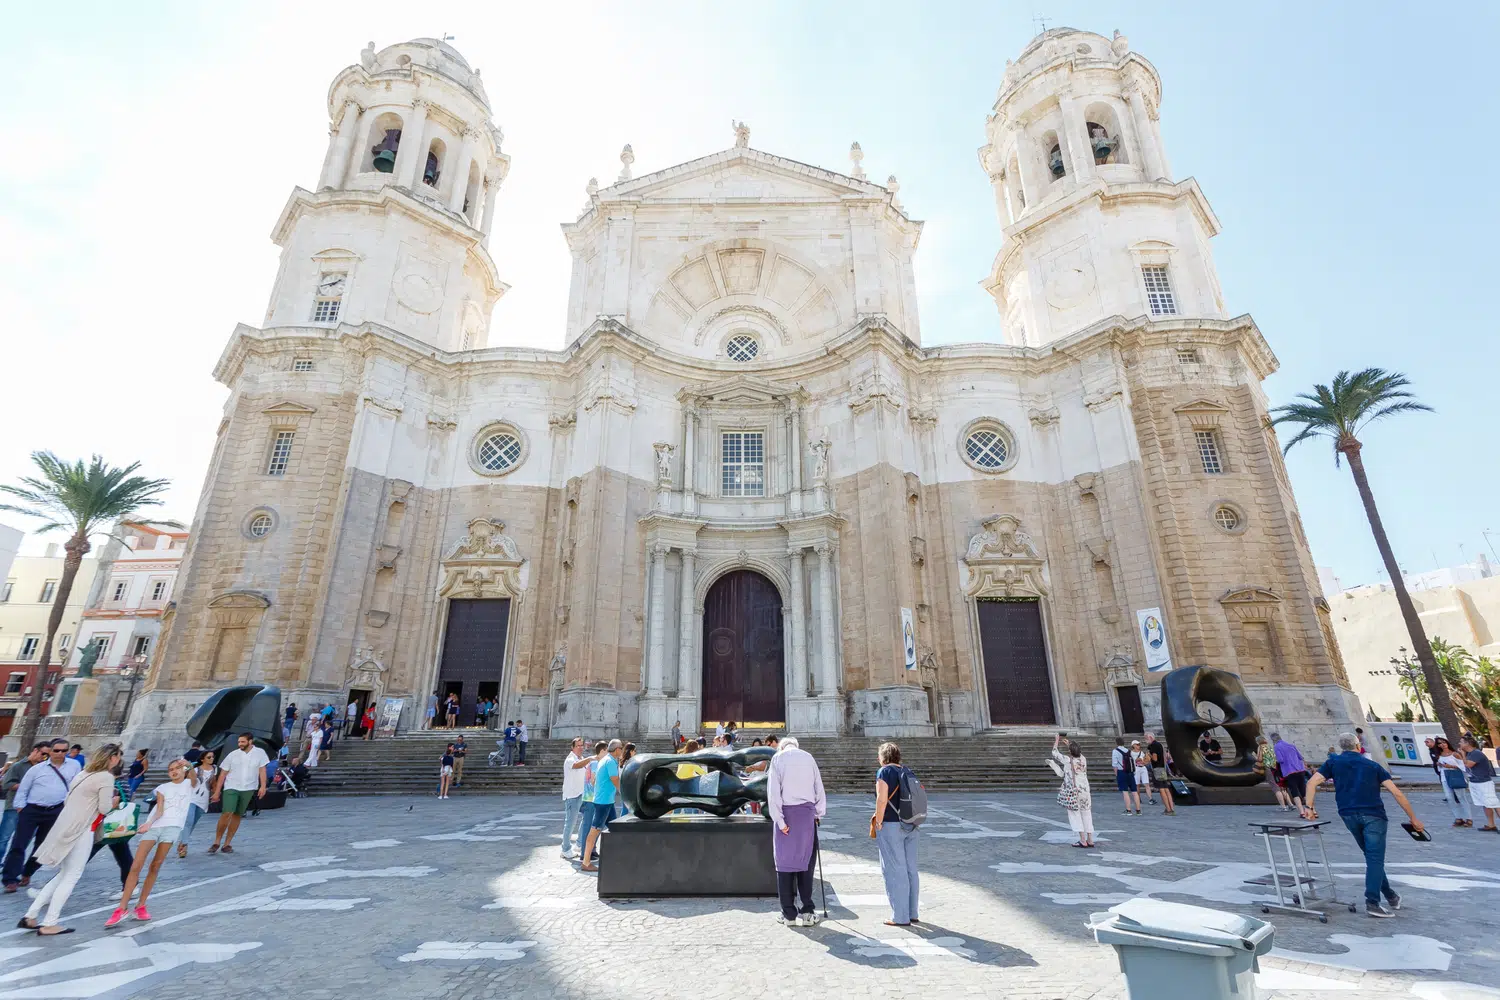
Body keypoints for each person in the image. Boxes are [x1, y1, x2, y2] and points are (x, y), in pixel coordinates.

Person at [1303, 732, 1424, 918]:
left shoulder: (1333, 762)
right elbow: (1396, 793)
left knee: (1371, 857)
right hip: (1374, 815)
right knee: (1375, 858)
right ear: (1358, 746)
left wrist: (1309, 807)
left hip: (1348, 814)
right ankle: (1372, 902)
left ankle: (1391, 896)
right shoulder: (1372, 765)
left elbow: (1311, 783)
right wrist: (1413, 818)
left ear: (1342, 746)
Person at [17, 743, 123, 936]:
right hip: (82, 829)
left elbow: (68, 799)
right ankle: (50, 922)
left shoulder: (83, 774)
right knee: (71, 876)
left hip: (65, 826)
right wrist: (114, 802)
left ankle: (31, 916)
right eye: (118, 756)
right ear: (112, 757)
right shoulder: (106, 777)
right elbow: (105, 808)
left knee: (63, 874)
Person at [106, 757, 197, 927]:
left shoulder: (189, 785)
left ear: (183, 770)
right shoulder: (163, 787)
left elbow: (193, 777)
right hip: (155, 826)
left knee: (156, 865)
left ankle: (140, 906)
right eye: (170, 769)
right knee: (136, 866)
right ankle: (121, 908)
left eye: (177, 768)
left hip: (173, 828)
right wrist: (149, 823)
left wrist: (188, 765)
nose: (174, 772)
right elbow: (159, 809)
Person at [4, 740, 81, 892]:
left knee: (44, 846)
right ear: (50, 751)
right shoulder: (37, 769)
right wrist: (21, 808)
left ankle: (28, 872)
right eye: (56, 750)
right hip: (32, 810)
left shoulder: (74, 766)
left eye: (64, 751)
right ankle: (10, 879)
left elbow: (76, 786)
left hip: (55, 810)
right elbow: (23, 789)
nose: (60, 754)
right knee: (19, 844)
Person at [768, 737, 826, 927]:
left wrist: (779, 820)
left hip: (786, 814)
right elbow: (819, 788)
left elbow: (773, 793)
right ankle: (808, 912)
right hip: (807, 815)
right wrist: (818, 814)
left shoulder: (778, 759)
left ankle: (789, 915)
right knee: (806, 863)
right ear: (796, 746)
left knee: (784, 864)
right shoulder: (808, 757)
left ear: (781, 746)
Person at [873, 742, 919, 926]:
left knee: (894, 869)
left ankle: (900, 916)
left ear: (883, 757)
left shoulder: (884, 772)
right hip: (911, 824)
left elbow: (882, 799)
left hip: (891, 824)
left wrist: (878, 821)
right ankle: (912, 912)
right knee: (911, 869)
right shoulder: (907, 771)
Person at [208, 733, 269, 855]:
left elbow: (262, 770)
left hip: (249, 788)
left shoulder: (260, 753)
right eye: (239, 742)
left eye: (242, 742)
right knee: (227, 813)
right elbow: (223, 774)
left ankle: (227, 843)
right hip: (231, 787)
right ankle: (217, 841)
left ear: (250, 741)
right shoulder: (233, 755)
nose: (240, 744)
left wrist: (263, 786)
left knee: (237, 815)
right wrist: (217, 791)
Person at [0, 744, 48, 863]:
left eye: (47, 756)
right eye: (43, 754)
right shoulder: (18, 766)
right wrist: (27, 785)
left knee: (23, 840)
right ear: (35, 750)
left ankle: (10, 864)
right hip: (14, 807)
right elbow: (6, 784)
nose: (44, 757)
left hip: (33, 808)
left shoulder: (45, 768)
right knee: (4, 837)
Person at [580, 740, 623, 872]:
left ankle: (616, 857)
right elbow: (614, 779)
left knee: (614, 829)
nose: (622, 750)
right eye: (621, 748)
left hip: (607, 801)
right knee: (594, 831)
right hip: (603, 802)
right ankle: (586, 862)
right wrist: (624, 792)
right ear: (617, 749)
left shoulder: (606, 759)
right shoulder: (610, 761)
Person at [1053, 734, 1094, 848]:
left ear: (1070, 752)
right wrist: (1070, 745)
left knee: (1075, 814)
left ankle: (1082, 840)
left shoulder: (1068, 760)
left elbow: (1055, 753)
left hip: (1074, 791)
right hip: (1085, 790)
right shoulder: (1083, 759)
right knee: (1086, 813)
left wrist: (1057, 740)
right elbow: (1076, 752)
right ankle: (1090, 839)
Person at [178, 750, 217, 856]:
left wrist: (216, 793)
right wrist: (188, 766)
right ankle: (184, 846)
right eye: (209, 757)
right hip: (191, 797)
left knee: (193, 823)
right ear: (202, 759)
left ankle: (182, 842)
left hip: (203, 800)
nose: (211, 759)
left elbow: (213, 782)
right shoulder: (195, 768)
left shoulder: (214, 769)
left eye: (212, 757)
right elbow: (192, 782)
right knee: (188, 821)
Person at [1460, 736, 1499, 830]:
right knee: (1485, 804)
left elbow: (1468, 764)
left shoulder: (1476, 753)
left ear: (1467, 743)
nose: (1459, 744)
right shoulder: (1470, 754)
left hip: (1484, 783)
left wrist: (1463, 754)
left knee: (1494, 804)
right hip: (1475, 782)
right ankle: (1491, 824)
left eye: (1461, 742)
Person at [561, 738, 590, 858]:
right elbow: (576, 766)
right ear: (572, 747)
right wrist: (591, 758)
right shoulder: (570, 759)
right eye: (578, 746)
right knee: (570, 822)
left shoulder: (582, 759)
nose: (580, 747)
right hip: (572, 795)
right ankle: (565, 849)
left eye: (582, 745)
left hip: (583, 793)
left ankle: (579, 844)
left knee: (588, 817)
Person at [1436, 742, 1472, 827]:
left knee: (1461, 797)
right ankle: (1458, 817)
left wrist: (1451, 766)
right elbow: (1440, 769)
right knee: (1449, 797)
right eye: (1440, 743)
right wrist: (1440, 765)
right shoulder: (1439, 755)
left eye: (1444, 742)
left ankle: (1469, 818)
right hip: (1445, 777)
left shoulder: (1455, 754)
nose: (1442, 744)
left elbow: (1463, 766)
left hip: (1456, 776)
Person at [1272, 733, 1310, 812]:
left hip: (1289, 772)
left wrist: (1274, 760)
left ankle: (1302, 812)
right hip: (1300, 770)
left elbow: (1280, 760)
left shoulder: (1276, 747)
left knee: (1295, 793)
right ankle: (1310, 810)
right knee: (1303, 791)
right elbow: (1300, 757)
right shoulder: (1291, 745)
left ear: (1273, 740)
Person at [1256, 735, 1292, 811]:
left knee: (1275, 788)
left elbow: (1259, 759)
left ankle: (1283, 807)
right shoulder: (1271, 746)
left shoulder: (1261, 747)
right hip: (1276, 768)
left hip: (1268, 768)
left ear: (1258, 742)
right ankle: (1290, 804)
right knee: (1281, 786)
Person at [1143, 731, 1175, 815]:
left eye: (1146, 738)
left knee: (1162, 790)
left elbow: (1155, 759)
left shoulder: (1152, 746)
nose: (1145, 740)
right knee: (1166, 789)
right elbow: (1165, 757)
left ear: (1150, 737)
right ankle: (1171, 808)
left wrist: (1149, 754)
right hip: (1163, 768)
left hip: (1157, 769)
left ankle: (1168, 810)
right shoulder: (1160, 744)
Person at [1111, 737, 1140, 815]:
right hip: (1130, 772)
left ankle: (1128, 810)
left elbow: (1114, 764)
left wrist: (1116, 774)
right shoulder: (1129, 751)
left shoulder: (1115, 751)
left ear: (1116, 743)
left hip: (1121, 772)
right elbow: (1133, 762)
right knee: (1134, 791)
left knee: (1125, 791)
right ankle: (1138, 810)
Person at [1131, 740, 1153, 806]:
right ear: (1133, 745)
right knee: (1137, 785)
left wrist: (1146, 759)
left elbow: (1145, 760)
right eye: (1137, 744)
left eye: (1139, 744)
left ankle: (1151, 799)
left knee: (1147, 784)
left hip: (1143, 768)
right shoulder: (1130, 753)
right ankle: (1138, 798)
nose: (1139, 745)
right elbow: (1135, 760)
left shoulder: (1141, 752)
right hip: (1136, 769)